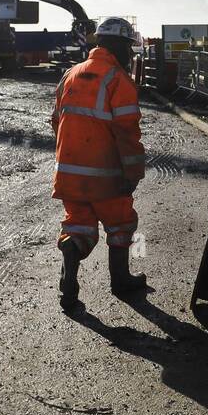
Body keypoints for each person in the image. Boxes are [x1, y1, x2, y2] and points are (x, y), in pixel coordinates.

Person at [50, 16, 147, 312]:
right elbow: (126, 131)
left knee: (77, 226)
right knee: (120, 224)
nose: (131, 55)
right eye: (129, 48)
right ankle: (120, 281)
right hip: (107, 175)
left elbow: (56, 122)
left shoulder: (70, 74)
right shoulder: (119, 80)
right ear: (119, 47)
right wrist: (132, 171)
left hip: (68, 174)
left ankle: (70, 274)